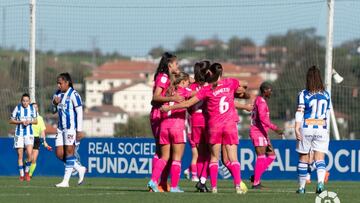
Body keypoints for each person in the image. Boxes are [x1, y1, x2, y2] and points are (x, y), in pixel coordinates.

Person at [161, 63, 248, 194]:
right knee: (233, 158)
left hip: (214, 126)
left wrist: (169, 108)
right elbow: (244, 85)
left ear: (210, 74)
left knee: (212, 157)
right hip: (230, 125)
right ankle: (237, 186)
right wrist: (239, 90)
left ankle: (213, 187)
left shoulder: (207, 90)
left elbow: (188, 103)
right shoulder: (231, 82)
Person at [148, 72, 192, 192]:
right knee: (177, 158)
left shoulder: (167, 91)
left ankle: (153, 181)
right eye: (187, 82)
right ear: (183, 82)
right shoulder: (185, 91)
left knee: (164, 157)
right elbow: (199, 93)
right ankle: (174, 187)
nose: (189, 84)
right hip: (177, 127)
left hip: (164, 126)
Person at [295, 66, 331, 194]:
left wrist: (296, 128)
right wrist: (327, 130)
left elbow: (300, 112)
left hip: (307, 127)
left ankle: (301, 187)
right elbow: (327, 114)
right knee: (320, 158)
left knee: (303, 158)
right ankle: (320, 184)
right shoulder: (326, 95)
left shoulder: (303, 94)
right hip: (322, 127)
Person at [149, 52, 182, 192]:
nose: (178, 65)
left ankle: (161, 182)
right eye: (176, 63)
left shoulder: (168, 77)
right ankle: (155, 183)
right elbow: (156, 97)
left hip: (163, 114)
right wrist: (173, 99)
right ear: (170, 65)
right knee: (161, 151)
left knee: (165, 152)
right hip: (158, 114)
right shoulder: (163, 77)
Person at [52, 72, 86, 187]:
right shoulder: (57, 94)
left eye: (60, 83)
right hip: (60, 128)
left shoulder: (74, 94)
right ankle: (80, 168)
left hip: (71, 128)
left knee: (69, 153)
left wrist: (79, 130)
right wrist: (54, 104)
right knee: (59, 154)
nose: (58, 85)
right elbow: (53, 111)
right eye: (57, 83)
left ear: (67, 83)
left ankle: (65, 182)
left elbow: (79, 112)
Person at [249, 82, 284, 189]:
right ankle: (256, 183)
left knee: (272, 156)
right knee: (261, 156)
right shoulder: (261, 102)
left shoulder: (259, 100)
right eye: (270, 90)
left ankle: (256, 176)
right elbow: (263, 119)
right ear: (265, 91)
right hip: (257, 132)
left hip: (263, 133)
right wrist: (276, 128)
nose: (271, 92)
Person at [9, 93, 38, 181]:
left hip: (29, 134)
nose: (25, 103)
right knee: (20, 155)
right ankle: (22, 175)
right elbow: (11, 120)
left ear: (29, 102)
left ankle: (26, 172)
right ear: (21, 101)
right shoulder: (17, 108)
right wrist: (21, 122)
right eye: (23, 101)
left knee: (30, 155)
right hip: (19, 134)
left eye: (27, 101)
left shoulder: (32, 109)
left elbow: (36, 121)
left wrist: (29, 122)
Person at [29, 102, 52, 177]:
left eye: (36, 107)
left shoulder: (40, 118)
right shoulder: (28, 117)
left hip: (37, 139)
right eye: (33, 107)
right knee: (29, 157)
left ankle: (29, 175)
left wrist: (45, 142)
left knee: (34, 159)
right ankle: (25, 171)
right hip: (28, 138)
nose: (35, 109)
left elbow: (42, 131)